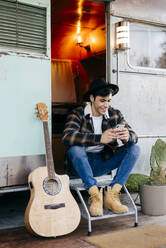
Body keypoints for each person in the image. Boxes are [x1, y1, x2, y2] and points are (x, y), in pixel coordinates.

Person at [62, 78, 140, 217]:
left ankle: (112, 195)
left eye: (109, 101)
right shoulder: (78, 114)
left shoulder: (115, 114)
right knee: (75, 148)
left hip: (103, 162)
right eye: (102, 101)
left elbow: (134, 136)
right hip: (80, 165)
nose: (106, 105)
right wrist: (99, 138)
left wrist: (128, 136)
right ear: (92, 98)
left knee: (134, 149)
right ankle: (95, 197)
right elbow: (67, 137)